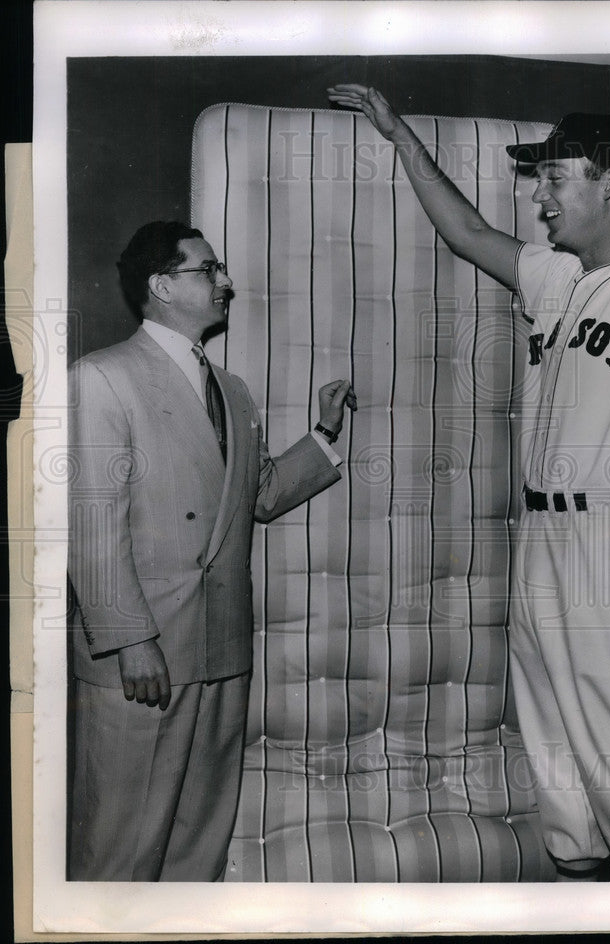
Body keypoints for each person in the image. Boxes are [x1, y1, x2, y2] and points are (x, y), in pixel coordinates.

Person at [327, 86, 610, 882]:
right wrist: (399, 135)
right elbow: (464, 230)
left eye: (557, 178)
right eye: (539, 179)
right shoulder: (555, 278)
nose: (540, 195)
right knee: (559, 775)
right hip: (544, 541)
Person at [67, 220, 356, 881]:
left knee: (198, 847)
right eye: (210, 270)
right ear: (162, 286)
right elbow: (89, 522)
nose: (226, 282)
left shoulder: (234, 391)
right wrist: (130, 637)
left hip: (221, 650)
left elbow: (258, 496)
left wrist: (324, 431)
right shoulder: (102, 379)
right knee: (121, 850)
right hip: (145, 657)